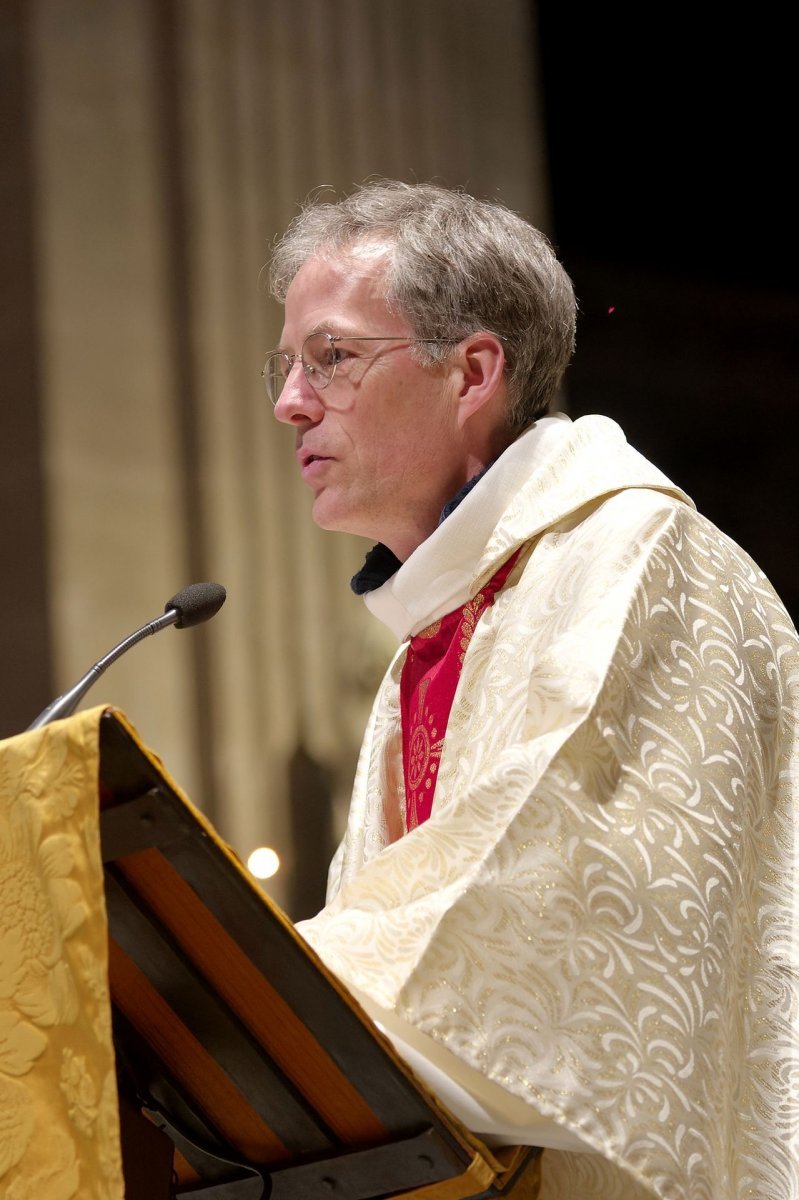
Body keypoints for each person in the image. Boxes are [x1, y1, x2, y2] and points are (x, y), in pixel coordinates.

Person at [265, 180, 798, 1200]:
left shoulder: (638, 564)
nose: (289, 401)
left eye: (329, 357)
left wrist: (243, 1003)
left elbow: (573, 922)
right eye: (286, 365)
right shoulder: (437, 631)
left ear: (471, 372)